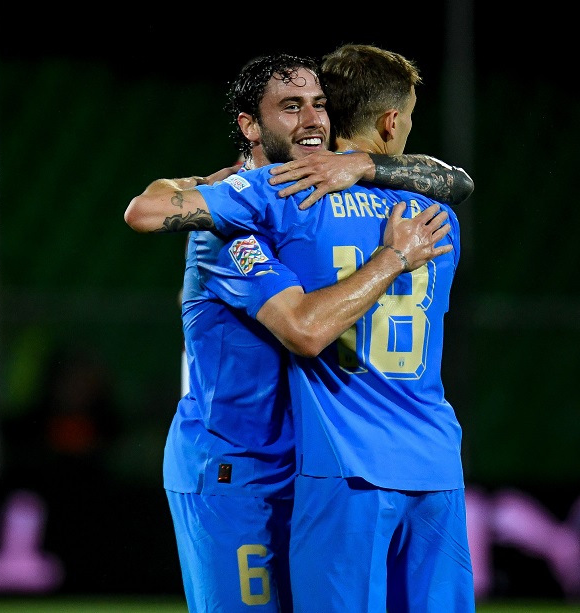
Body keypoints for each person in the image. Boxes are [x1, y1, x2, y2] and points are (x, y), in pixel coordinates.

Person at [127, 44, 472, 613]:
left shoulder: (296, 201)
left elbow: (452, 178)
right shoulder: (228, 225)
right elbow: (147, 210)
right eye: (291, 107)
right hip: (236, 469)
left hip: (313, 463)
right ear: (251, 126)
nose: (311, 119)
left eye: (318, 104)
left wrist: (361, 164)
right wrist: (228, 183)